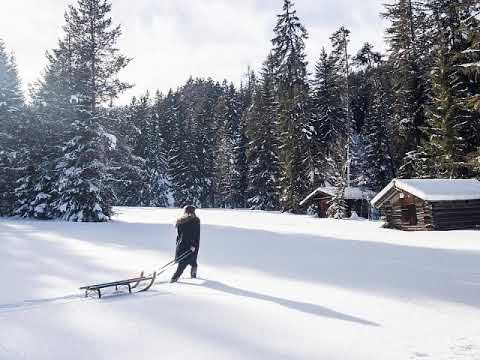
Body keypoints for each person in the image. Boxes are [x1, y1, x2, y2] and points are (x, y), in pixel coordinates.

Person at [170, 205, 200, 283]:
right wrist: (193, 245)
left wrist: (178, 244)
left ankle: (193, 275)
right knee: (183, 264)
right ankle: (174, 279)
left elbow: (179, 235)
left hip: (181, 245)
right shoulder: (195, 220)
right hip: (191, 246)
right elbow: (195, 234)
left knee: (193, 262)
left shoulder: (180, 221)